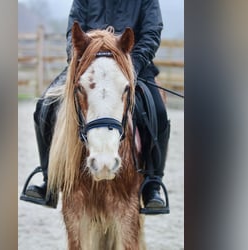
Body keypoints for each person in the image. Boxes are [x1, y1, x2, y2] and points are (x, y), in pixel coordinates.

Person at [20, 0, 170, 214]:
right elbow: (73, 31)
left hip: (131, 64)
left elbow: (151, 32)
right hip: (89, 65)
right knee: (44, 106)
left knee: (159, 112)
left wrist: (130, 66)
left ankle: (153, 184)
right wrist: (81, 60)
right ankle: (48, 179)